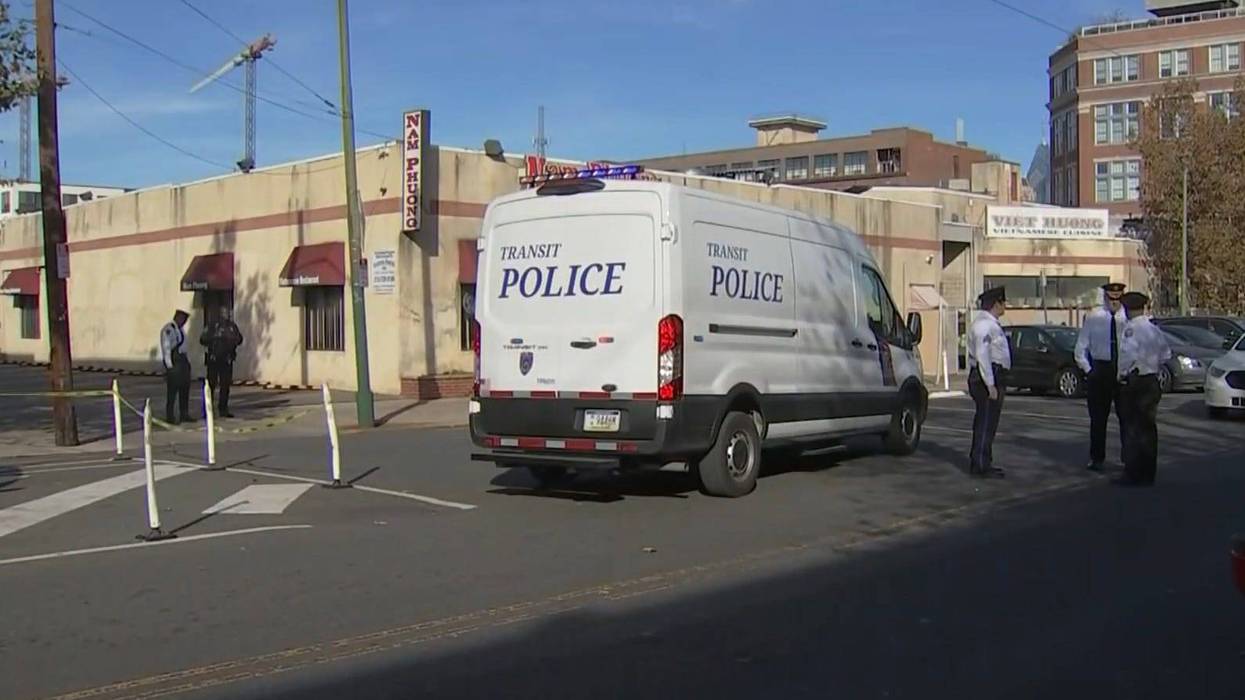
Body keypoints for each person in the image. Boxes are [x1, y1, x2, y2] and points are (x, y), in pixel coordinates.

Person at [1115, 292, 1170, 487]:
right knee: (1148, 428)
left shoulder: (1131, 330)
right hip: (1152, 380)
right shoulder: (1153, 329)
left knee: (1132, 428)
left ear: (1128, 309)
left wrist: (1122, 374)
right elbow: (1166, 354)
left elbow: (1127, 356)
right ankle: (1148, 472)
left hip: (1135, 381)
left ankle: (1132, 472)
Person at [1074, 282, 1128, 472]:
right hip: (1101, 369)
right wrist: (1090, 371)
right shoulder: (1094, 318)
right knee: (1098, 418)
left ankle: (1127, 456)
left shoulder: (1128, 318)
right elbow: (1080, 349)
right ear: (1105, 297)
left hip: (1123, 369)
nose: (1114, 302)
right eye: (1111, 298)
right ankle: (1097, 458)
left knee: (1126, 417)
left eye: (1118, 298)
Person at [967, 286, 1010, 479]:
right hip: (986, 377)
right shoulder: (984, 325)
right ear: (996, 304)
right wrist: (990, 384)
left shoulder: (990, 324)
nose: (1005, 306)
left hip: (992, 375)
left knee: (988, 422)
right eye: (1003, 302)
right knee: (985, 422)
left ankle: (983, 459)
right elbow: (983, 355)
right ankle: (981, 463)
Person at [200, 308, 244, 418]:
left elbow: (239, 339)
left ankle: (223, 409)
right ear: (220, 314)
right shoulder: (212, 326)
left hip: (226, 360)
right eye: (224, 313)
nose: (227, 315)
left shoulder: (232, 326)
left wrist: (231, 340)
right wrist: (216, 338)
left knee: (225, 386)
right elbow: (202, 339)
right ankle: (207, 409)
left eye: (228, 313)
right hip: (214, 360)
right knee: (211, 385)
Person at [160, 310, 193, 424]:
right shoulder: (169, 330)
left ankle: (184, 413)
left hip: (183, 361)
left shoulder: (180, 330)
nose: (184, 321)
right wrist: (169, 366)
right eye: (183, 319)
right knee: (172, 391)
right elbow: (166, 348)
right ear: (177, 317)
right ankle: (170, 416)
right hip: (175, 362)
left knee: (185, 389)